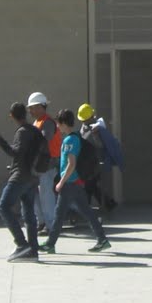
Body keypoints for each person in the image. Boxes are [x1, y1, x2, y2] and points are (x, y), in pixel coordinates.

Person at [43, 108, 111, 254]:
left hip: (70, 183)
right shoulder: (74, 137)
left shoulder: (69, 140)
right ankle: (102, 239)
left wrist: (61, 182)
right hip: (76, 182)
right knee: (86, 212)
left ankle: (50, 243)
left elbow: (71, 164)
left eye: (58, 124)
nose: (58, 127)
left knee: (60, 214)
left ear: (63, 123)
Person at [0, 102, 44, 262]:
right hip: (33, 176)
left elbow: (16, 152)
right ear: (26, 113)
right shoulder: (35, 131)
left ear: (12, 116)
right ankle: (33, 251)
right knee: (29, 213)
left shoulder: (22, 132)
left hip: (20, 176)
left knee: (3, 207)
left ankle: (22, 245)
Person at [76, 103, 121, 214]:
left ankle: (86, 208)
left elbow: (101, 146)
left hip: (96, 162)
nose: (83, 122)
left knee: (89, 185)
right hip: (87, 162)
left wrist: (95, 135)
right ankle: (108, 203)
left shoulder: (98, 128)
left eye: (85, 120)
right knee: (92, 185)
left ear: (91, 117)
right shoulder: (85, 126)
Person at [27, 92, 59, 227]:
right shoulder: (37, 122)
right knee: (37, 194)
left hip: (48, 164)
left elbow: (44, 140)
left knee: (46, 195)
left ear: (41, 106)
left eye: (32, 107)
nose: (30, 110)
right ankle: (42, 222)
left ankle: (51, 225)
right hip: (39, 164)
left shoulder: (48, 123)